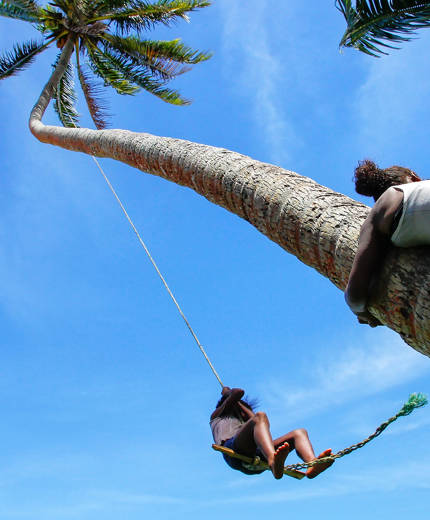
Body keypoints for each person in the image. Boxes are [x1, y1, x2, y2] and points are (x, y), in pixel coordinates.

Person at [345, 159, 427, 326]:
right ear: (413, 176)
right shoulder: (410, 191)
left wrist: (364, 314)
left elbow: (355, 293)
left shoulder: (386, 203)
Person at [210, 386, 333, 479]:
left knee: (299, 432)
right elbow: (238, 392)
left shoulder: (249, 424)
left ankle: (312, 463)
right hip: (234, 452)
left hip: (256, 456)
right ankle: (272, 460)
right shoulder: (218, 416)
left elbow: (253, 417)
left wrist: (242, 406)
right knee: (260, 416)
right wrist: (227, 394)